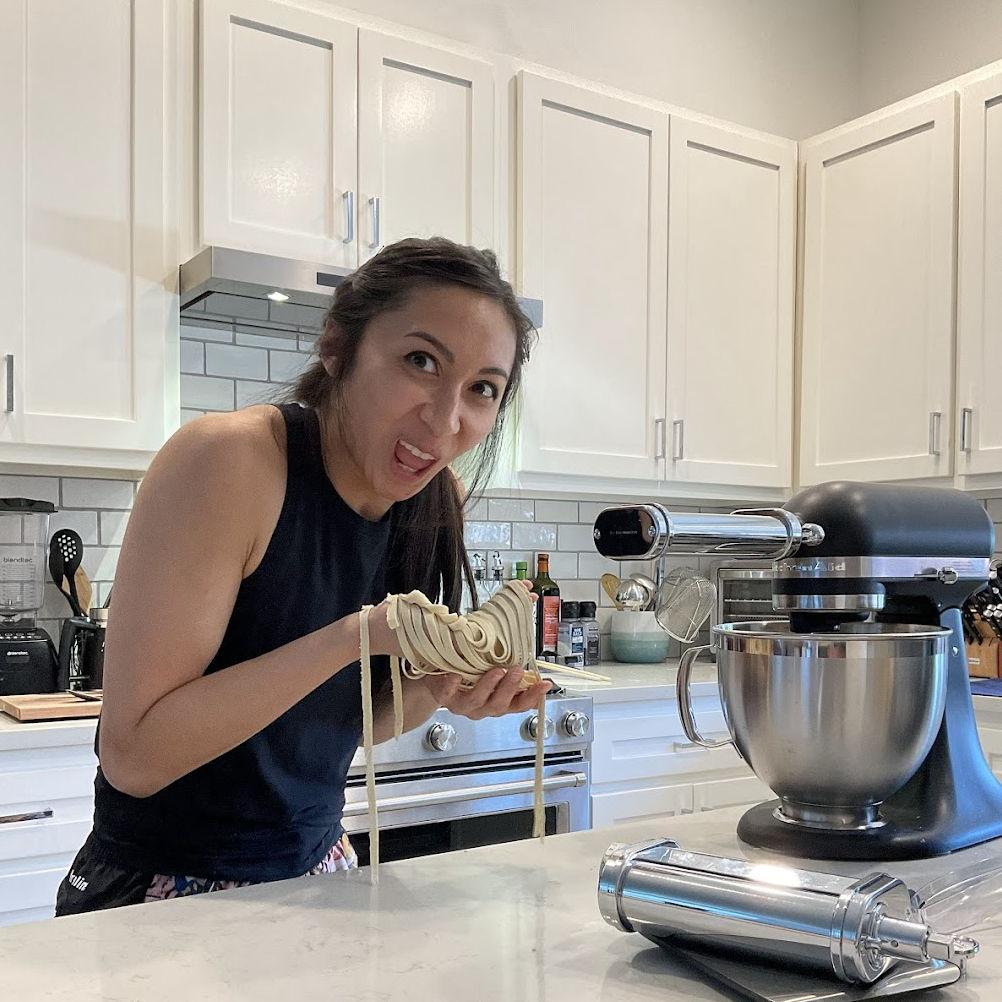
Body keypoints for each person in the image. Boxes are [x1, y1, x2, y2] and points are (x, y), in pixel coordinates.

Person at [55, 237, 549, 914]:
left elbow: (341, 725)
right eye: (420, 361)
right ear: (338, 347)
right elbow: (134, 757)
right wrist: (354, 636)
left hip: (318, 869)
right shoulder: (229, 463)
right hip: (165, 888)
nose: (446, 419)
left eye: (482, 389)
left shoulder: (435, 503)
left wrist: (435, 690)